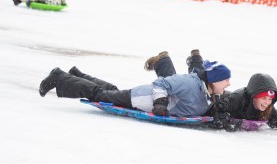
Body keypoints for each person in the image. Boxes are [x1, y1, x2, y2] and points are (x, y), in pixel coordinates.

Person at [38, 58, 232, 118]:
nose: (229, 84)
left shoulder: (207, 92)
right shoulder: (190, 83)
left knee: (111, 90)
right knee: (100, 95)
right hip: (141, 100)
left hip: (141, 99)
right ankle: (59, 77)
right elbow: (161, 84)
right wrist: (160, 103)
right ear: (214, 80)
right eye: (226, 80)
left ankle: (78, 75)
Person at [144, 49, 277, 130]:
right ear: (254, 96)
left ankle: (191, 60)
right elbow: (219, 108)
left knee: (196, 80)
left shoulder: (267, 108)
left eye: (269, 99)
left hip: (208, 96)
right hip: (207, 101)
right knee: (180, 85)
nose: (267, 102)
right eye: (264, 98)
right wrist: (222, 121)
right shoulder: (237, 99)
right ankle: (165, 62)